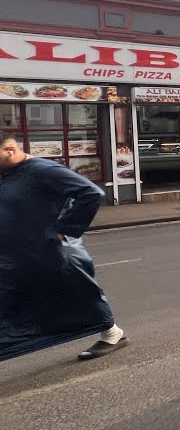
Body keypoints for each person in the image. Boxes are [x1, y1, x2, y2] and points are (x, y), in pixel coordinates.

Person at [0, 133, 128, 362]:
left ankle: (111, 333)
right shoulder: (8, 174)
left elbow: (90, 193)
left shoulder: (42, 170)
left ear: (10, 149)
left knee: (78, 292)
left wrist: (66, 228)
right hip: (19, 253)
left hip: (47, 251)